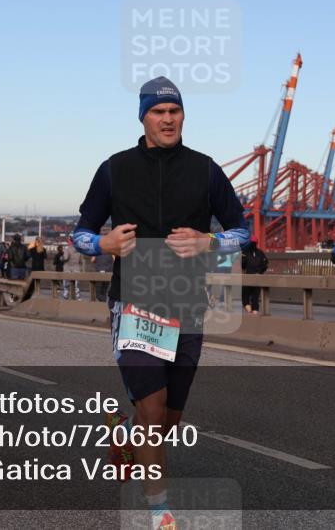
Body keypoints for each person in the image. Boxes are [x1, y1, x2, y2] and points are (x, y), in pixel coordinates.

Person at [72, 76, 248, 530]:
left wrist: (210, 241)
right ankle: (160, 515)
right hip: (134, 302)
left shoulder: (206, 170)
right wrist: (104, 243)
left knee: (167, 419)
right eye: (158, 111)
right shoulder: (114, 168)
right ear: (143, 117)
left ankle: (125, 436)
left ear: (183, 115)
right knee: (152, 409)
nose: (168, 119)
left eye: (175, 111)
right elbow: (81, 234)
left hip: (188, 301)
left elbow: (242, 231)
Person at [240, 236, 268, 315]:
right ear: (257, 243)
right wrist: (259, 272)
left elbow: (243, 265)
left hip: (248, 278)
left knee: (245, 297)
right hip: (257, 278)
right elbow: (265, 265)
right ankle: (254, 314)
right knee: (255, 298)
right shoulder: (261, 253)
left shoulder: (245, 252)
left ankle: (250, 312)